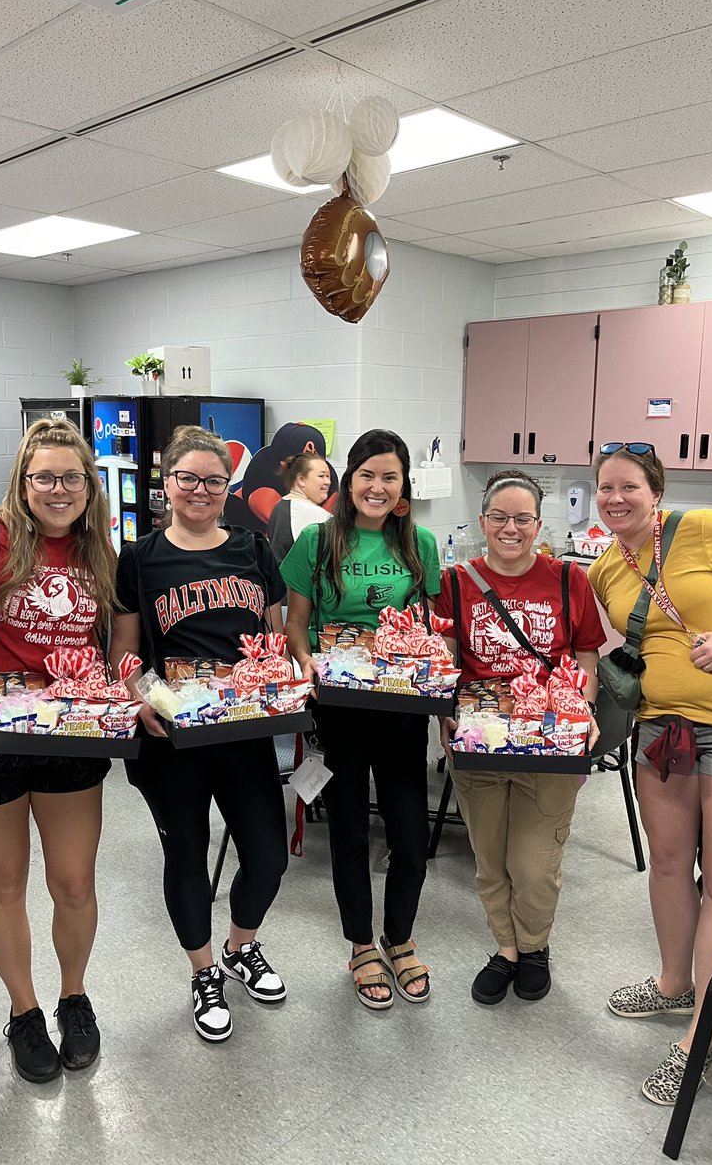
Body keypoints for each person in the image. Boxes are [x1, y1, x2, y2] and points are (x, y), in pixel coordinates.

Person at [0, 419, 116, 1085]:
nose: (59, 489)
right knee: (5, 882)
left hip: (71, 735)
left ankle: (74, 997)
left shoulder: (98, 547)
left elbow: (108, 642)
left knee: (73, 883)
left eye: (72, 477)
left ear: (89, 485)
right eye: (45, 477)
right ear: (23, 480)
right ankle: (25, 1011)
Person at [588, 441, 712, 1106]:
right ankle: (673, 985)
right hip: (662, 732)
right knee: (665, 865)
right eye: (605, 487)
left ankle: (701, 1033)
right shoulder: (606, 566)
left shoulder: (705, 529)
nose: (616, 498)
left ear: (656, 492)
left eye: (629, 486)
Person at [110, 425, 289, 1044]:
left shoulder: (253, 548)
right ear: (167, 482)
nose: (200, 490)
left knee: (268, 856)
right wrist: (139, 697)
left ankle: (241, 947)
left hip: (244, 731)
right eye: (187, 477)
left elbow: (273, 636)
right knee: (186, 854)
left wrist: (281, 686)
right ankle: (204, 971)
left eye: (214, 480)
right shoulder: (139, 558)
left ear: (227, 487)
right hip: (173, 738)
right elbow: (125, 650)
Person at [283, 429, 440, 1009]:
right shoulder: (318, 541)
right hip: (340, 708)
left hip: (401, 707)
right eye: (367, 475)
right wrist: (306, 661)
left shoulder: (420, 543)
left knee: (410, 834)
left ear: (403, 485)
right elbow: (295, 622)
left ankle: (400, 938)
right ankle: (360, 945)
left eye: (389, 476)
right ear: (349, 482)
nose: (377, 486)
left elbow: (428, 624)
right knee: (349, 831)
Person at [437, 471, 604, 1006]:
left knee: (534, 866)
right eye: (499, 518)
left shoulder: (568, 579)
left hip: (549, 741)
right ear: (482, 521)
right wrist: (444, 714)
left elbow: (586, 653)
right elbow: (445, 660)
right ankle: (506, 950)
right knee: (489, 859)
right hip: (480, 737)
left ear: (538, 524)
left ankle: (534, 947)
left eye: (523, 519)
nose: (511, 529)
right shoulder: (455, 582)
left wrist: (584, 708)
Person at [265, 452, 332, 562]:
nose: (327, 482)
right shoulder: (314, 513)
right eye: (321, 476)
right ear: (301, 479)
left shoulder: (280, 506)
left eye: (328, 476)